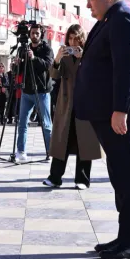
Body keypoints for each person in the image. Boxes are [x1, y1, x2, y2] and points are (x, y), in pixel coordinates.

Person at [75, 0, 130, 259]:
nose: (87, 5)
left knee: (127, 175)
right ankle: (125, 237)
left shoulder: (123, 20)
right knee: (120, 175)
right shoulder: (110, 20)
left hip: (125, 114)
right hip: (112, 112)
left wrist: (120, 109)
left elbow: (128, 67)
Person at [44, 24, 103, 189]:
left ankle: (82, 179)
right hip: (66, 103)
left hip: (85, 104)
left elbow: (97, 75)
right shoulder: (64, 57)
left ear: (82, 39)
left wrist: (84, 58)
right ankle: (55, 177)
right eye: (70, 38)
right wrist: (57, 59)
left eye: (76, 39)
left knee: (85, 142)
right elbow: (53, 75)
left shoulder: (90, 55)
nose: (72, 42)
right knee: (61, 141)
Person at [15, 24, 55, 163]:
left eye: (37, 33)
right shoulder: (23, 49)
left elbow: (47, 65)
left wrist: (33, 58)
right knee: (22, 122)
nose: (34, 35)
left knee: (46, 123)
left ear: (41, 34)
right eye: (32, 33)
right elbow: (19, 72)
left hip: (42, 91)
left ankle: (50, 152)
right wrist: (17, 64)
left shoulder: (47, 49)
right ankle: (21, 151)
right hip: (27, 91)